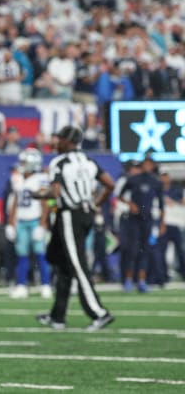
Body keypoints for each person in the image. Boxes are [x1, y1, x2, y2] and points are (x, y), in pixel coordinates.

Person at [36, 125, 115, 332]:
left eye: (60, 138)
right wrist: (96, 203)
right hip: (85, 213)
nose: (56, 142)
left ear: (68, 141)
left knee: (78, 265)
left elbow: (55, 193)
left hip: (70, 214)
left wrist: (38, 195)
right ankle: (57, 316)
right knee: (63, 264)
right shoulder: (88, 161)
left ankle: (99, 312)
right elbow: (110, 184)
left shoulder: (59, 162)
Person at [6, 148, 51, 299]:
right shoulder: (17, 178)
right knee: (22, 256)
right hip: (21, 222)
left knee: (41, 255)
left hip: (35, 221)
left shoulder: (41, 179)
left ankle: (45, 285)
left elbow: (45, 203)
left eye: (24, 162)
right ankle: (21, 285)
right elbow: (14, 202)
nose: (21, 164)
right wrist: (11, 223)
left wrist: (42, 224)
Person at [118, 155, 164, 292]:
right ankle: (128, 280)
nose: (147, 166)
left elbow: (161, 205)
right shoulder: (133, 179)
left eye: (150, 164)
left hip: (147, 219)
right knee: (132, 249)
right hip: (134, 219)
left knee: (145, 250)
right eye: (146, 163)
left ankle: (142, 280)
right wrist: (130, 204)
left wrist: (162, 223)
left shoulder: (156, 182)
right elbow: (120, 195)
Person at [158, 172, 185, 281]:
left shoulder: (176, 190)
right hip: (164, 223)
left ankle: (183, 272)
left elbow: (182, 203)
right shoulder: (158, 189)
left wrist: (172, 202)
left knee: (180, 250)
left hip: (176, 223)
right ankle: (164, 274)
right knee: (162, 250)